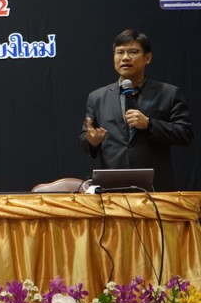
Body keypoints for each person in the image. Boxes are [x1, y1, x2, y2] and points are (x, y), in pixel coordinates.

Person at [80, 29, 193, 191]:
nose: (125, 58)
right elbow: (85, 141)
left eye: (133, 52)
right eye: (119, 52)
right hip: (113, 189)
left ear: (148, 58)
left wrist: (149, 124)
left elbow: (185, 134)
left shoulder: (169, 93)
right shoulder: (97, 97)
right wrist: (92, 140)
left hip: (156, 188)